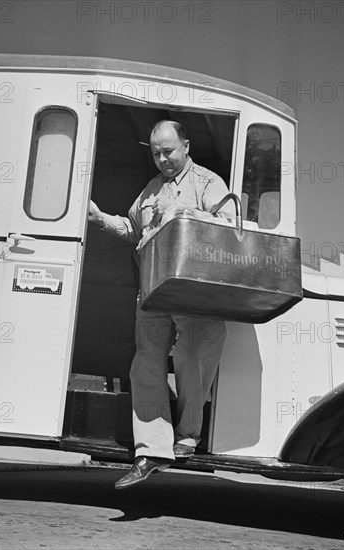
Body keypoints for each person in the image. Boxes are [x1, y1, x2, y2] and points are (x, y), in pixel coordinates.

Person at [88, 120, 235, 490]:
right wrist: (100, 219)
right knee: (145, 365)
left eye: (168, 150)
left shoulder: (207, 182)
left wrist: (180, 217)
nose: (162, 159)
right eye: (155, 152)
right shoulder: (152, 188)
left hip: (194, 291)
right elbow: (133, 228)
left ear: (186, 145)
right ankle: (152, 450)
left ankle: (187, 435)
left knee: (192, 357)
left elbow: (229, 225)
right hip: (153, 290)